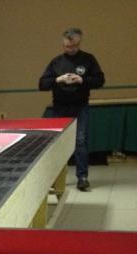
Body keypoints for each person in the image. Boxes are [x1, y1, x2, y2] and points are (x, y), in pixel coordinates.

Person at [39, 28, 105, 191]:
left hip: (80, 106)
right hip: (59, 107)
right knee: (58, 143)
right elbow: (42, 84)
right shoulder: (56, 62)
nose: (70, 49)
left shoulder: (88, 59)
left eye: (74, 46)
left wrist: (82, 80)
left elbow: (100, 80)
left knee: (80, 141)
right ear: (63, 44)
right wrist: (57, 79)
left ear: (79, 42)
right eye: (67, 46)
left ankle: (82, 178)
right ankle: (55, 178)